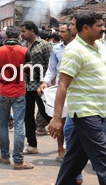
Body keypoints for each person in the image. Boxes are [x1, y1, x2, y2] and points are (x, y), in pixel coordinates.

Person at [49, 12, 106, 184]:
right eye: (99, 25)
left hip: (101, 110)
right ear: (86, 28)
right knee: (104, 160)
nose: (103, 28)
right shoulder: (74, 50)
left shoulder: (100, 46)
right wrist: (56, 118)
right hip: (86, 112)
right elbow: (63, 85)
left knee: (73, 162)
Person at [0, 26, 34, 170]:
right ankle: (18, 161)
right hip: (19, 91)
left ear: (6, 36)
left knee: (3, 124)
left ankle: (4, 157)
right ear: (18, 37)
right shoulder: (25, 51)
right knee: (19, 125)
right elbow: (29, 69)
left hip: (3, 91)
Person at [37, 22, 75, 162]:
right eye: (59, 31)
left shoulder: (80, 48)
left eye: (63, 31)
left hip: (77, 89)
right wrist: (45, 82)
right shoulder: (57, 49)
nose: (60, 34)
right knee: (61, 120)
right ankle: (61, 149)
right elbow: (52, 69)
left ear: (72, 32)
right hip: (61, 88)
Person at [19, 21, 52, 154]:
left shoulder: (44, 45)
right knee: (28, 116)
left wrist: (49, 84)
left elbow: (51, 66)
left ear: (32, 31)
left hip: (41, 86)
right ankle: (32, 144)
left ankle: (65, 139)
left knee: (46, 114)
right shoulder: (22, 46)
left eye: (23, 31)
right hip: (27, 87)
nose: (21, 34)